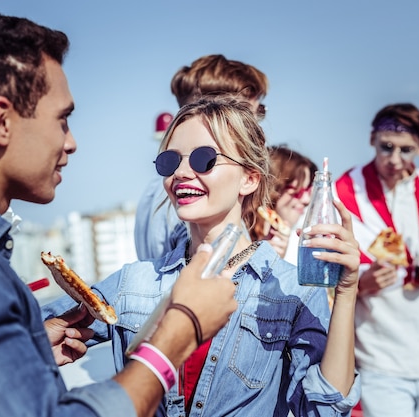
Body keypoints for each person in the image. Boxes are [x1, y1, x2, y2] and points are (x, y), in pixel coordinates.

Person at [0, 11, 238, 416]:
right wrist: (178, 335)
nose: (72, 142)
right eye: (62, 120)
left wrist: (23, 352)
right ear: (1, 122)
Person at [45, 96, 362, 416]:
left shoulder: (291, 289)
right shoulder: (132, 282)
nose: (181, 172)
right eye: (170, 161)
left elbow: (325, 410)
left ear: (249, 178)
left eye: (204, 159)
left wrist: (347, 293)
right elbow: (24, 329)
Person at [334, 103, 419, 417]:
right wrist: (360, 283)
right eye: (386, 147)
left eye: (406, 150)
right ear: (372, 138)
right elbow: (327, 271)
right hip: (381, 358)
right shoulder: (345, 191)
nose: (394, 159)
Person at [134, 54, 268, 261]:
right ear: (212, 109)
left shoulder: (158, 189)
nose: (257, 125)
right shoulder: (190, 196)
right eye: (247, 114)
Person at [252, 145, 318, 264]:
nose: (306, 200)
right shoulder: (237, 230)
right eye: (297, 190)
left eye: (308, 191)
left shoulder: (301, 245)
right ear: (273, 186)